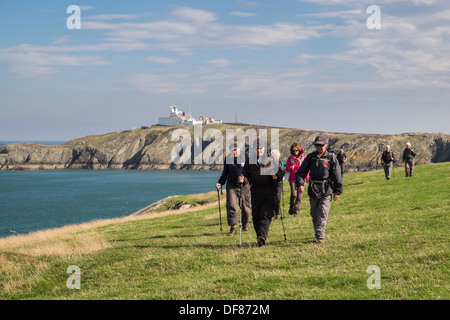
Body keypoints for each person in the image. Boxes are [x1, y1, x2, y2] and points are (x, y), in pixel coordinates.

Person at [295, 135, 343, 244]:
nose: (319, 147)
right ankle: (318, 232)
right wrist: (300, 184)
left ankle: (320, 237)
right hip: (313, 189)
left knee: (322, 213)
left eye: (321, 145)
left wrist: (337, 191)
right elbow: (300, 172)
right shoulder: (311, 157)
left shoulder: (331, 158)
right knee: (314, 213)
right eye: (317, 145)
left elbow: (337, 175)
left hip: (326, 189)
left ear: (326, 144)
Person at [240, 139, 285, 247]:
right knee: (256, 217)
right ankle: (259, 236)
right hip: (256, 192)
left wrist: (277, 176)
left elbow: (281, 172)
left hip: (270, 192)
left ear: (264, 149)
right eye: (256, 148)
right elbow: (245, 174)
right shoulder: (250, 161)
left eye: (260, 148)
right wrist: (243, 179)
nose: (258, 150)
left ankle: (262, 237)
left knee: (265, 215)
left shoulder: (272, 159)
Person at [216, 147, 251, 236]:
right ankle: (233, 227)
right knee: (231, 205)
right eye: (232, 150)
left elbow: (250, 171)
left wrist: (245, 179)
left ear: (239, 149)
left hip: (244, 186)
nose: (234, 152)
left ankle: (245, 224)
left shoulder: (246, 156)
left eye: (235, 150)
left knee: (245, 206)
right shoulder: (228, 158)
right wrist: (220, 183)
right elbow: (225, 173)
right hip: (232, 186)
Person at [286, 143, 308, 217]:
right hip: (293, 178)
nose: (295, 152)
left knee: (299, 196)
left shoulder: (303, 157)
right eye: (294, 150)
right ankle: (291, 206)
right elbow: (287, 168)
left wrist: (307, 177)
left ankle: (296, 211)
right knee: (293, 194)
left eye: (296, 150)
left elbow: (307, 169)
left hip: (301, 178)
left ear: (299, 150)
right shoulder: (290, 158)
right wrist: (290, 168)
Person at [270, 150, 285, 220]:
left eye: (276, 155)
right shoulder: (269, 163)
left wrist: (279, 176)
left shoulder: (280, 162)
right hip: (271, 182)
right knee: (272, 198)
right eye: (273, 155)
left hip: (279, 182)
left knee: (278, 197)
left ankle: (277, 212)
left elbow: (282, 172)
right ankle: (272, 213)